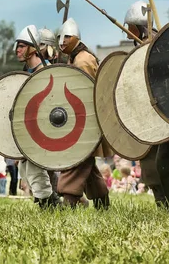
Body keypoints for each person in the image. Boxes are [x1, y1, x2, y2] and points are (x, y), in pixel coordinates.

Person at [123, 1, 169, 211]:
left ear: (139, 26)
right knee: (157, 165)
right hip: (152, 114)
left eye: (130, 27)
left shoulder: (158, 44)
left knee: (166, 161)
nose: (127, 32)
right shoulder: (143, 45)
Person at [57, 18, 111, 209]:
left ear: (76, 38)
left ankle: (69, 201)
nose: (62, 41)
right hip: (78, 121)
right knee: (87, 165)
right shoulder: (73, 58)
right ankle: (103, 202)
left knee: (77, 160)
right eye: (60, 37)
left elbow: (85, 95)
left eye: (66, 37)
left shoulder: (83, 60)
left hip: (86, 121)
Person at [14, 25, 62, 208]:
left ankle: (50, 203)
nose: (17, 50)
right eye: (17, 46)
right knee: (25, 168)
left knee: (34, 167)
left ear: (32, 48)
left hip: (46, 127)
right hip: (30, 128)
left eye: (22, 46)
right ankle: (51, 200)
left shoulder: (45, 71)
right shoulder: (27, 73)